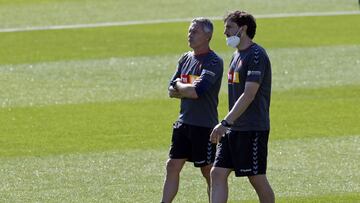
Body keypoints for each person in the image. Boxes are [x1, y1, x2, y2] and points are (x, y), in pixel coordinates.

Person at [209, 11, 275, 203]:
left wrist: (225, 122)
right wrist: (229, 124)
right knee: (218, 173)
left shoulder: (256, 55)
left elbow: (249, 94)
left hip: (252, 128)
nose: (225, 32)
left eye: (229, 27)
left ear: (243, 29)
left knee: (256, 178)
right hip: (234, 127)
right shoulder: (237, 55)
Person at [160, 17, 224, 203]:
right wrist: (184, 87)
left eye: (195, 31)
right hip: (183, 123)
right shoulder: (185, 58)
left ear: (208, 36)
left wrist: (182, 86)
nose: (190, 34)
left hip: (204, 126)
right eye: (189, 31)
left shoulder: (213, 62)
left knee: (208, 171)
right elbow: (171, 90)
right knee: (172, 165)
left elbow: (197, 92)